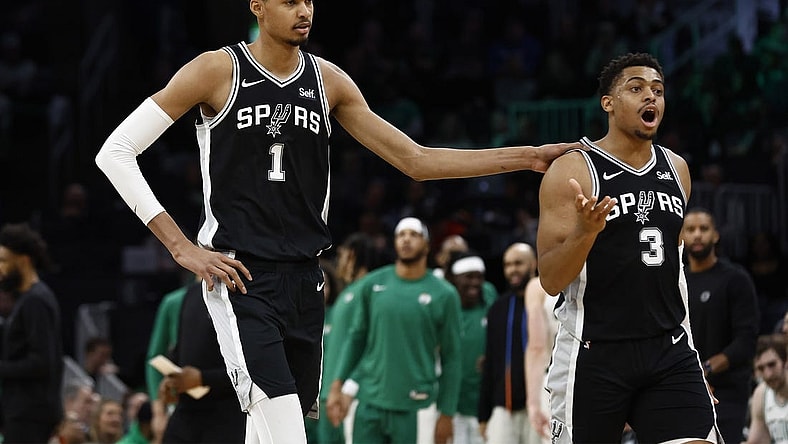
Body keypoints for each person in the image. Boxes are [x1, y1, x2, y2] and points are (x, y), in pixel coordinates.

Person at [94, 1, 577, 442]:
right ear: (258, 7)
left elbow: (416, 159)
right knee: (285, 433)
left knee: (267, 433)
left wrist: (529, 156)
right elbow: (115, 152)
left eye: (308, 1)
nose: (304, 10)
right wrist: (182, 247)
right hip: (244, 278)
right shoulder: (216, 70)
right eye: (289, 1)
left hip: (307, 281)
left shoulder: (329, 81)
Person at [536, 52, 721, 443]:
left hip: (668, 351)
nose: (650, 97)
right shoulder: (573, 170)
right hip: (594, 352)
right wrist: (585, 232)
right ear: (609, 103)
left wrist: (692, 362)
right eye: (636, 89)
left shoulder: (677, 169)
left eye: (657, 90)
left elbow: (676, 276)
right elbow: (551, 279)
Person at [326, 217, 462, 444]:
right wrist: (337, 385)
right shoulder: (373, 284)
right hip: (369, 401)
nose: (406, 239)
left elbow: (453, 357)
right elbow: (356, 338)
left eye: (414, 235)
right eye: (401, 235)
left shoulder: (444, 294)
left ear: (427, 245)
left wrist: (446, 413)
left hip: (416, 406)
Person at [681, 207, 760, 443]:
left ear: (715, 235)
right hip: (685, 388)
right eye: (690, 229)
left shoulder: (735, 279)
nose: (697, 235)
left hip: (727, 390)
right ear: (681, 236)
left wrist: (706, 370)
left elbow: (745, 340)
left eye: (703, 229)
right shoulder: (677, 280)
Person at [306, 232, 383, 444]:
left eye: (342, 254)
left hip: (352, 395)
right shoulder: (350, 293)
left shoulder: (369, 289)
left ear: (353, 255)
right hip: (330, 393)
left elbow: (371, 344)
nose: (339, 261)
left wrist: (350, 386)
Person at [155, 278, 246, 443]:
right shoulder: (190, 294)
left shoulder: (242, 294)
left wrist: (203, 378)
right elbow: (179, 353)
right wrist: (171, 381)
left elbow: (250, 368)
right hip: (186, 412)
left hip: (227, 416)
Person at [0, 222, 64, 442]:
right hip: (24, 411)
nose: (0, 268)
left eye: (4, 261)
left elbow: (42, 362)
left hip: (30, 414)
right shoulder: (27, 299)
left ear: (24, 261)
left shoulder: (35, 301)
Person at [477, 242, 546, 444]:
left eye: (518, 263)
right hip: (503, 407)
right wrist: (483, 414)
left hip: (542, 402)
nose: (512, 270)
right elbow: (490, 362)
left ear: (533, 264)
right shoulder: (498, 308)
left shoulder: (550, 300)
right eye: (507, 265)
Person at [444, 250, 489, 444]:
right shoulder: (445, 307)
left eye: (479, 277)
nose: (475, 283)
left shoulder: (489, 296)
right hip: (451, 408)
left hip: (483, 408)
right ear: (454, 279)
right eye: (469, 277)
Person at [746, 334, 788, 444]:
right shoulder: (762, 394)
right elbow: (757, 441)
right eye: (761, 368)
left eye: (772, 364)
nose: (768, 374)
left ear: (785, 361)